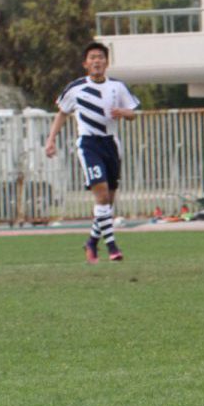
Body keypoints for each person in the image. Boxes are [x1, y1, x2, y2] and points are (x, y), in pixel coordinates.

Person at [44, 41, 139, 264]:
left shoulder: (117, 86)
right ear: (85, 63)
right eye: (92, 57)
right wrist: (51, 140)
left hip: (112, 145)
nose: (97, 61)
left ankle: (91, 242)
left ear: (106, 62)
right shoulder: (75, 87)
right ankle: (112, 246)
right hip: (89, 145)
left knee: (108, 201)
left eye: (100, 57)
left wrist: (124, 112)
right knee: (102, 195)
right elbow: (62, 114)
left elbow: (133, 114)